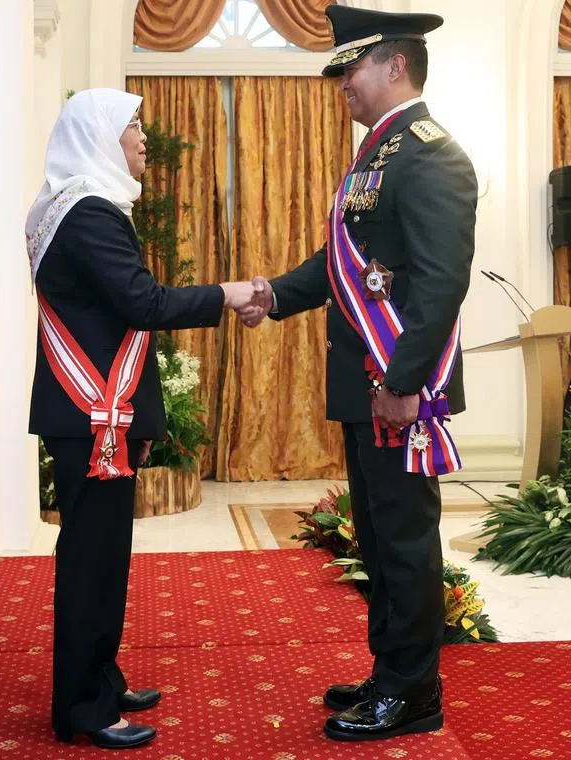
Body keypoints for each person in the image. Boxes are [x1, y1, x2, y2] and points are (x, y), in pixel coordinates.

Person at [241, 6, 477, 742]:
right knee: (376, 540)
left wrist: (405, 385)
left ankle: (414, 693)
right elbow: (343, 266)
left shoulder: (431, 155)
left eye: (352, 66)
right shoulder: (378, 156)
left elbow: (442, 282)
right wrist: (276, 293)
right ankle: (389, 671)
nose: (341, 81)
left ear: (395, 64)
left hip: (398, 390)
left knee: (406, 540)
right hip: (366, 384)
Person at [26, 88, 265, 750]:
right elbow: (142, 300)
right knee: (92, 564)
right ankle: (83, 707)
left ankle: (101, 678)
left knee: (100, 556)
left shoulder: (71, 210)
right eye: (132, 128)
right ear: (99, 138)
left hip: (87, 414)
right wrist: (229, 293)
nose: (143, 140)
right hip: (93, 413)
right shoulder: (90, 214)